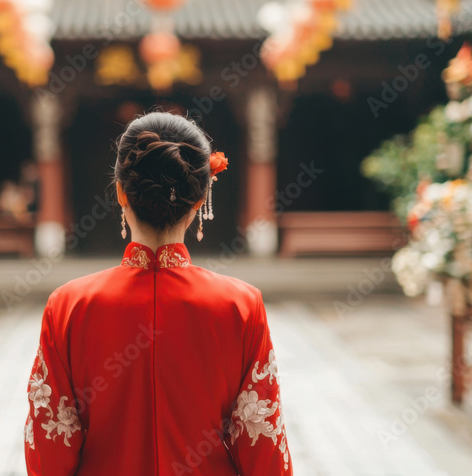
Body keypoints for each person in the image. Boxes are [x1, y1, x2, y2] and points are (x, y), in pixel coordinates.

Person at [24, 111, 292, 475]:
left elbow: (49, 452)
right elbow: (263, 452)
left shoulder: (69, 306)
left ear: (121, 193)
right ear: (200, 199)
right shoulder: (241, 306)